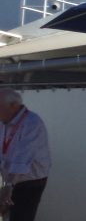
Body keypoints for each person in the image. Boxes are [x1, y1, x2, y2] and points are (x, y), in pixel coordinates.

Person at [0, 89, 50, 221]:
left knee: (21, 217)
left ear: (13, 106)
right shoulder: (3, 122)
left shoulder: (32, 123)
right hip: (9, 179)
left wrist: (8, 186)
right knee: (6, 215)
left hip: (29, 182)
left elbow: (22, 158)